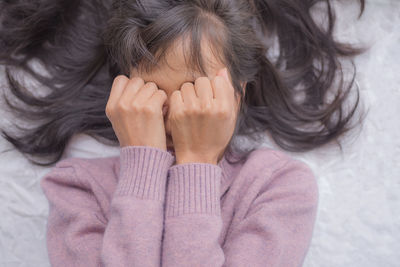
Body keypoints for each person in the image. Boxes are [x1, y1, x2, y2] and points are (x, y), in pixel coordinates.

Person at [0, 0, 367, 266]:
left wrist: (198, 163)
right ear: (122, 96)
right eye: (154, 94)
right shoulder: (75, 190)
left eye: (195, 92)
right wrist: (143, 165)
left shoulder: (278, 187)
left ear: (237, 95)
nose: (178, 116)